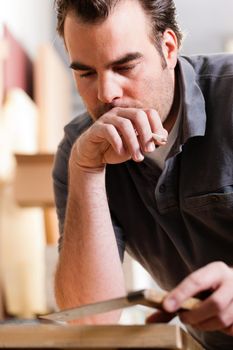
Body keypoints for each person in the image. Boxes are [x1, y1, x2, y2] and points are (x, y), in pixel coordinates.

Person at [52, 0, 233, 349]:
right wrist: (87, 172)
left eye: (125, 66)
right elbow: (87, 317)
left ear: (168, 48)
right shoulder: (79, 152)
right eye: (86, 73)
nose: (106, 94)